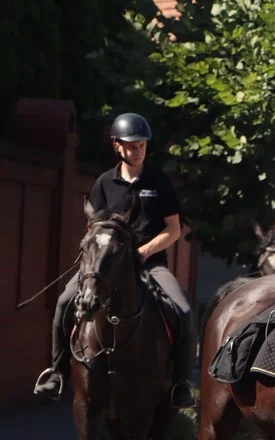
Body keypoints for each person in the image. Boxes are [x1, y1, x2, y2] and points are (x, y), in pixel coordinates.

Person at [33, 113, 196, 409]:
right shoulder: (104, 182)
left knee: (183, 310)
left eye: (143, 146)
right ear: (117, 146)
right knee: (63, 303)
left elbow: (173, 230)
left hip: (149, 263)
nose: (138, 151)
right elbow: (94, 228)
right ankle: (57, 373)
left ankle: (180, 384)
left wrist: (144, 251)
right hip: (106, 267)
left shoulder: (158, 181)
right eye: (132, 146)